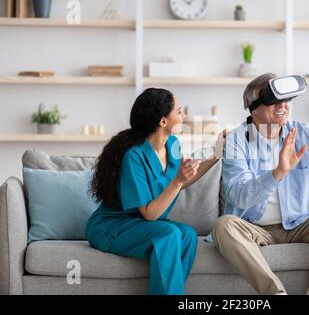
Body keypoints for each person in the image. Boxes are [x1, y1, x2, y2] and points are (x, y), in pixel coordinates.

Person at [212, 74, 309, 295]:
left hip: (303, 224)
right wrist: (277, 173)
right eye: (273, 100)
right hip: (255, 229)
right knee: (224, 226)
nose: (282, 105)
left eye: (286, 99)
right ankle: (275, 293)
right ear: (253, 107)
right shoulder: (236, 140)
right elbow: (238, 195)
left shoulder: (306, 134)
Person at [86, 87, 225, 295]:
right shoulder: (133, 156)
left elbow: (182, 180)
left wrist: (216, 155)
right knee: (169, 233)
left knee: (187, 234)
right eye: (179, 111)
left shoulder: (173, 144)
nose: (184, 115)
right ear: (163, 122)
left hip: (142, 225)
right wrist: (178, 181)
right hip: (113, 226)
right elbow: (150, 213)